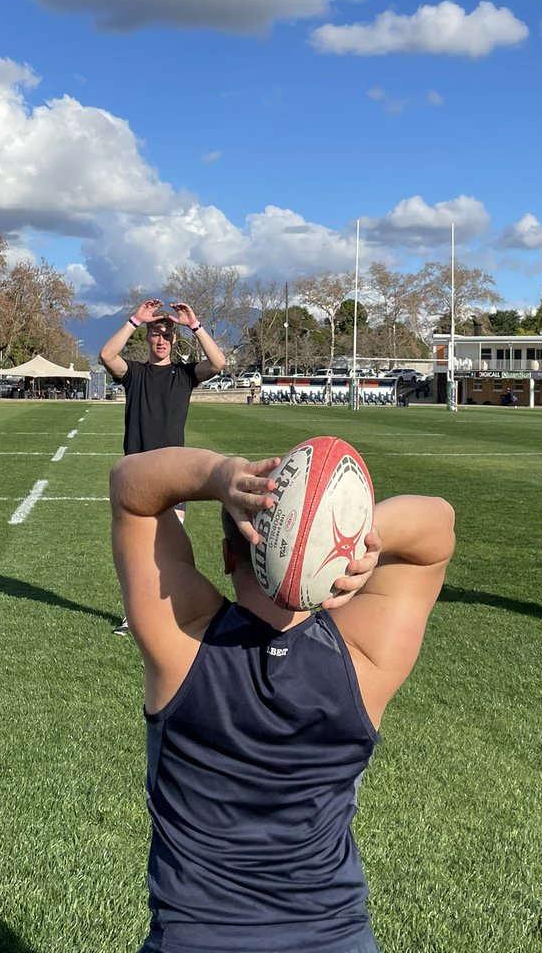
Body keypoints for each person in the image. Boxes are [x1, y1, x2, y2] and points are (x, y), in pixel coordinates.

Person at [109, 444, 456, 952]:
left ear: (229, 556)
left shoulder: (180, 641)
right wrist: (354, 531)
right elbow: (439, 525)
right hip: (335, 940)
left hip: (195, 940)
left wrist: (218, 474)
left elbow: (130, 488)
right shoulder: (365, 660)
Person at [100, 299, 227, 635]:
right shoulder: (135, 374)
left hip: (172, 477)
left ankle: (175, 613)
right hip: (137, 476)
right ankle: (135, 616)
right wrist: (133, 320)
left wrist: (195, 325)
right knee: (136, 553)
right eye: (155, 335)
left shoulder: (184, 376)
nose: (160, 340)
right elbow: (106, 356)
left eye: (166, 335)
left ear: (173, 340)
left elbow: (218, 362)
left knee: (168, 553)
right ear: (147, 339)